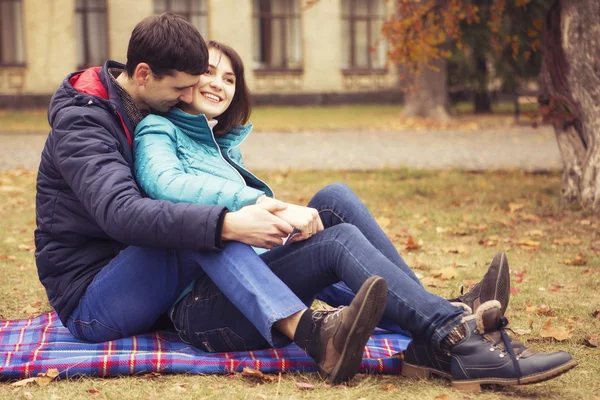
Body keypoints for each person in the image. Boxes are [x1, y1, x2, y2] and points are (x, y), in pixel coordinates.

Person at [132, 41, 576, 390]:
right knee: (336, 241)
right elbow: (165, 185)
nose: (220, 84)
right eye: (209, 71)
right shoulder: (159, 129)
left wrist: (285, 219)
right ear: (185, 78)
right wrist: (261, 204)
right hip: (204, 311)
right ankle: (452, 333)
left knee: (334, 198)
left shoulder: (217, 146)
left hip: (244, 287)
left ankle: (442, 318)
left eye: (229, 78)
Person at [34, 13, 391, 385]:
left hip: (137, 273)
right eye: (180, 89)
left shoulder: (137, 107)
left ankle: (415, 312)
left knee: (211, 225)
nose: (189, 96)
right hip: (89, 302)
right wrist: (228, 222)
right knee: (199, 227)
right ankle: (312, 333)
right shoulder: (83, 124)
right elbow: (121, 213)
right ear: (142, 74)